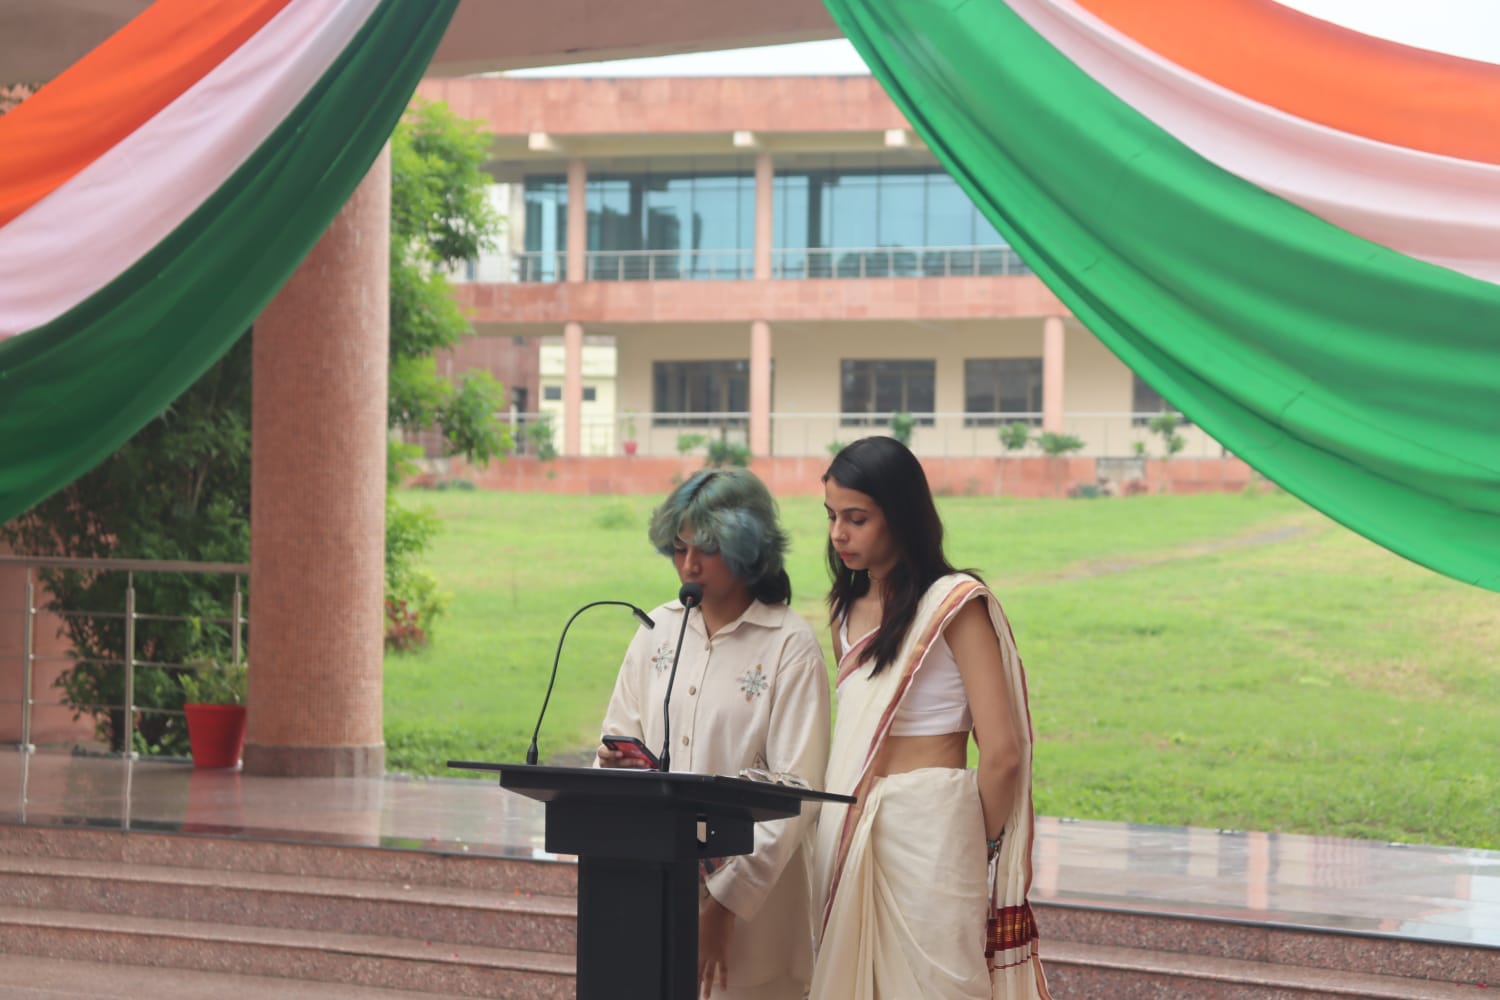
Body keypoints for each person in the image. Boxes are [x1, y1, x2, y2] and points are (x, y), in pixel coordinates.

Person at [810, 437, 1050, 1000]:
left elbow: (1003, 755)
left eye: (856, 518)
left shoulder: (956, 606)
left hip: (933, 834)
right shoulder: (846, 610)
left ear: (901, 514)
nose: (838, 533)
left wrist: (977, 841)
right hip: (853, 826)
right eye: (831, 516)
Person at [597, 467, 832, 1000]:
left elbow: (796, 791)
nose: (688, 565)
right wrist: (615, 766)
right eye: (678, 548)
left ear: (748, 547)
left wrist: (724, 907)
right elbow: (618, 736)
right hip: (654, 889)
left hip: (757, 921)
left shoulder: (788, 646)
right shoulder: (655, 632)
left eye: (706, 548)